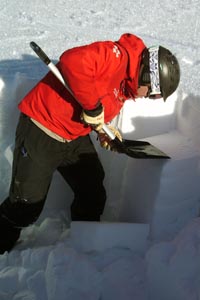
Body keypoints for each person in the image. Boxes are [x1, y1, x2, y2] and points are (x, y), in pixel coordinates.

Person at [0, 33, 180, 254]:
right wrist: (93, 108)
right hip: (41, 127)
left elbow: (94, 102)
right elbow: (72, 62)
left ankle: (81, 248)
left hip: (72, 136)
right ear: (146, 76)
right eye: (152, 94)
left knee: (92, 191)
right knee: (25, 207)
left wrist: (102, 129)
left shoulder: (126, 86)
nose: (148, 98)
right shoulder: (115, 57)